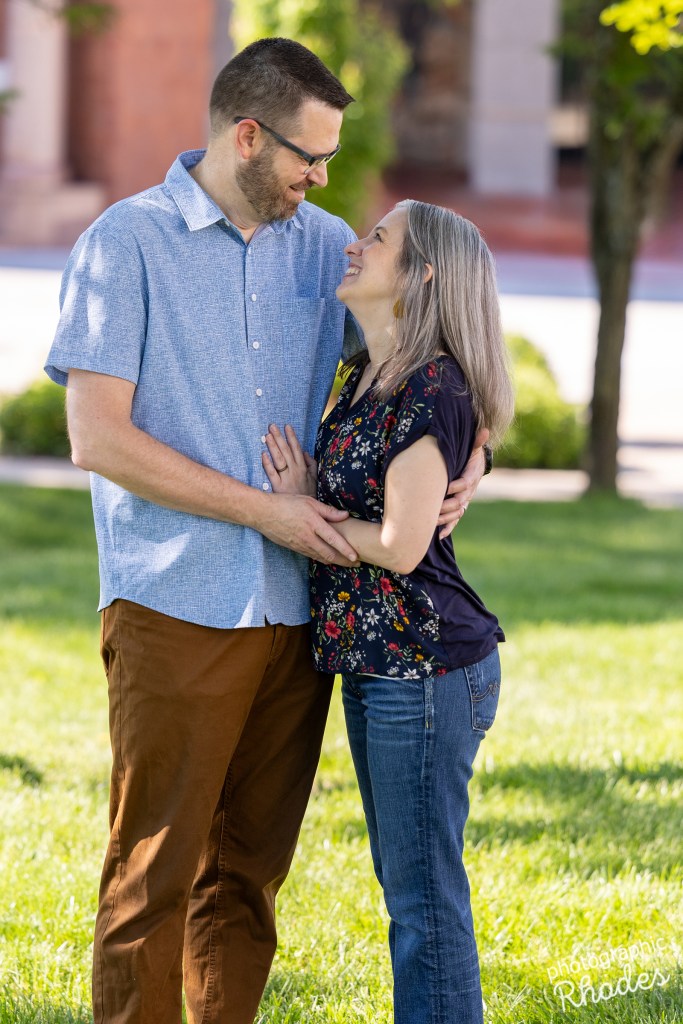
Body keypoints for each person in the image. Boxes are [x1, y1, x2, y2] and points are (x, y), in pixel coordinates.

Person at [44, 38, 486, 1024]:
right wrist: (268, 510)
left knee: (246, 875)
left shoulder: (324, 248)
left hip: (297, 616)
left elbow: (434, 351)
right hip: (175, 602)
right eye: (307, 156)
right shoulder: (126, 243)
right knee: (152, 874)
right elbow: (97, 438)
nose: (321, 179)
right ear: (247, 136)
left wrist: (474, 458)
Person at [263, 199, 514, 1024]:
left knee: (422, 898)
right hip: (382, 664)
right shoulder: (369, 373)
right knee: (408, 887)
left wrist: (299, 512)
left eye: (378, 239)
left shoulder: (429, 385)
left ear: (420, 274)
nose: (355, 244)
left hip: (425, 666)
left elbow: (403, 547)